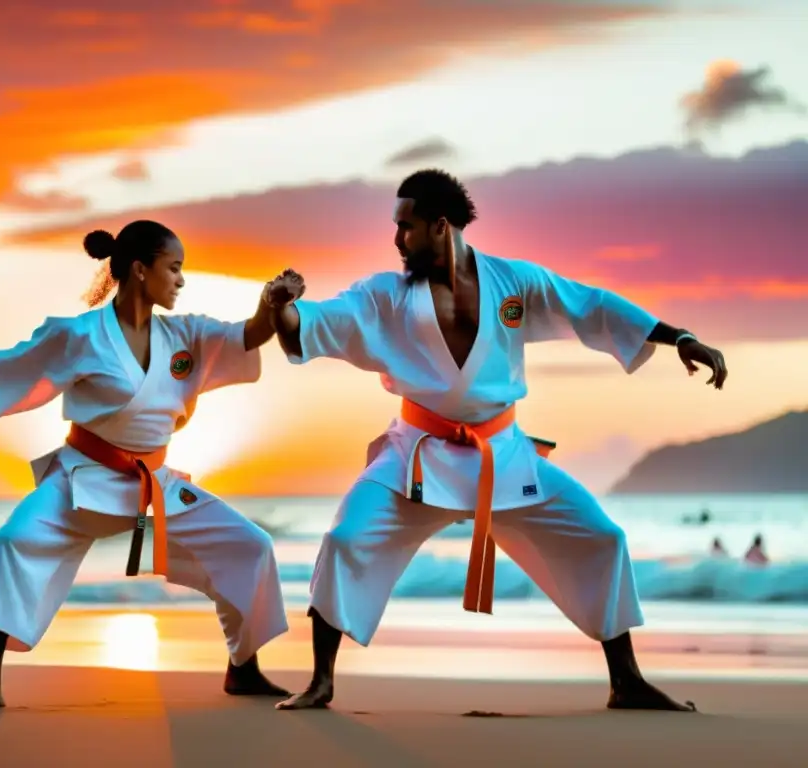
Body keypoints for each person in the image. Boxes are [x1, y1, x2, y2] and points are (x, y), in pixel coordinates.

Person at [266, 169, 728, 713]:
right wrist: (282, 306)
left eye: (406, 227)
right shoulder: (385, 296)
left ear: (441, 226)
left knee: (602, 537)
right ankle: (320, 682)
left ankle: (626, 681)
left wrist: (681, 337)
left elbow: (590, 305)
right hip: (416, 457)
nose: (396, 240)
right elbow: (316, 322)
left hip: (503, 455)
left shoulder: (515, 284)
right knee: (346, 539)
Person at [0, 220, 298, 710]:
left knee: (250, 545)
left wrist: (273, 303)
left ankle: (243, 668)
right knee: (11, 544)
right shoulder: (81, 335)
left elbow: (249, 335)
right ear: (140, 270)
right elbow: (6, 364)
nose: (180, 280)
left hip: (154, 482)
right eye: (173, 268)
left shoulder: (186, 334)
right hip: (82, 478)